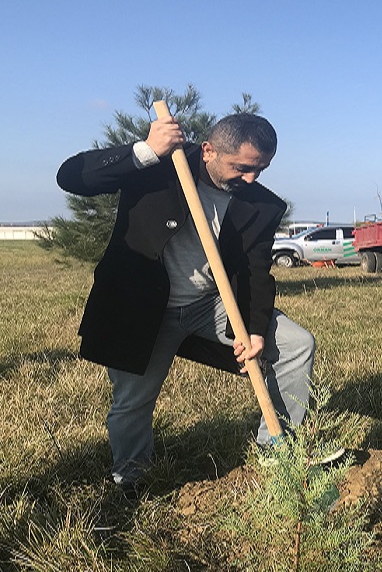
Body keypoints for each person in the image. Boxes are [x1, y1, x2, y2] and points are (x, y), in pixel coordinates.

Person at [57, 112, 316, 493]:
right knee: (133, 401)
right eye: (243, 168)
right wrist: (145, 150)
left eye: (261, 169)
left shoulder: (261, 205)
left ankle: (277, 455)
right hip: (143, 307)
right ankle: (130, 478)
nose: (251, 179)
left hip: (208, 305)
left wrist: (256, 330)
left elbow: (256, 271)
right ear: (209, 150)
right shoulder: (158, 167)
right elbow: (72, 176)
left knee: (297, 345)